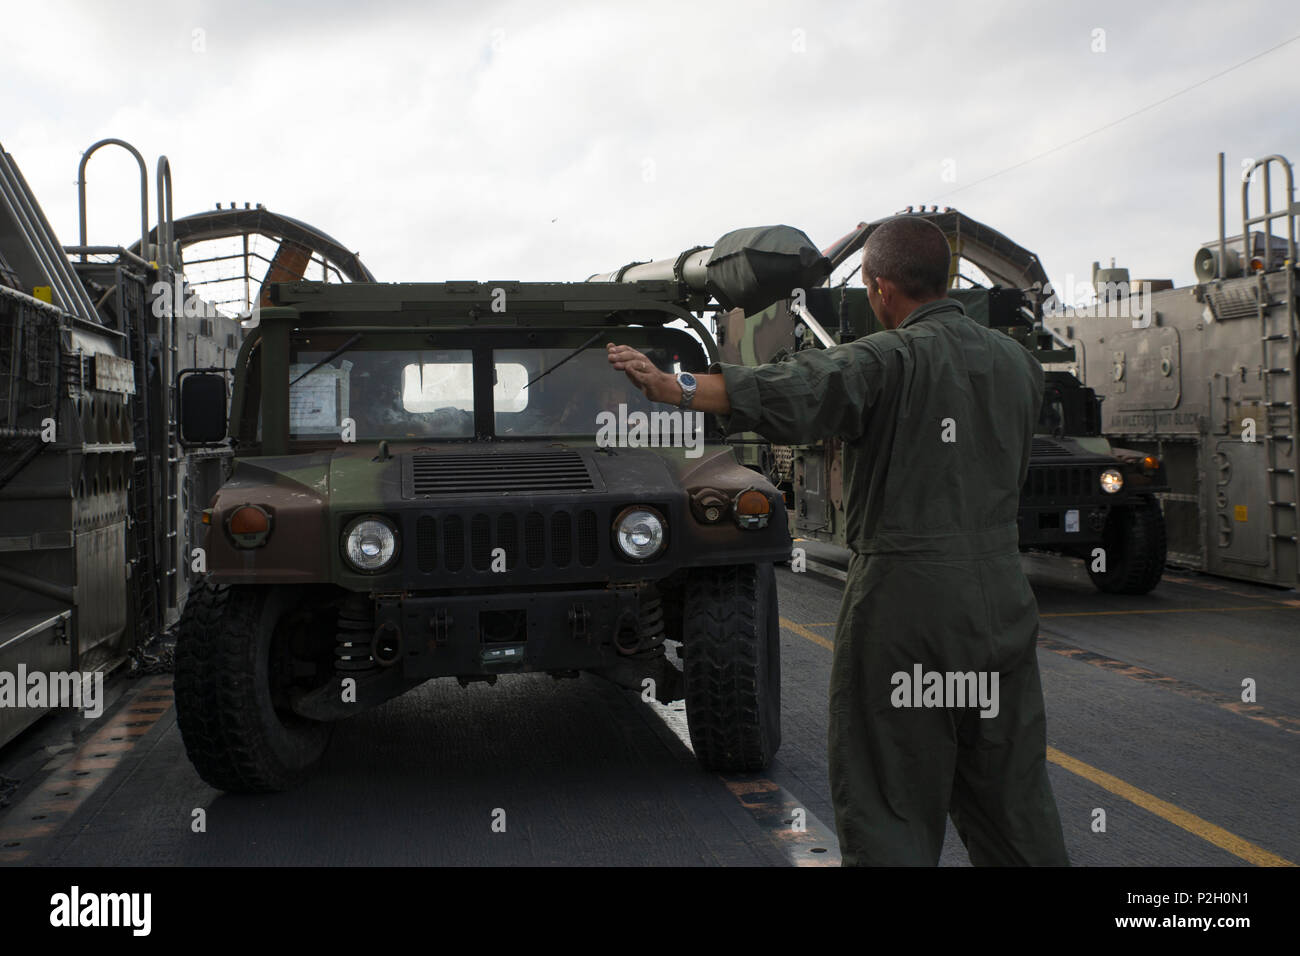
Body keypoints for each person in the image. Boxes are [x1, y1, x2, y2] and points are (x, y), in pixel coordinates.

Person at [607, 215, 1070, 866]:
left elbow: (792, 390)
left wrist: (671, 385)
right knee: (1012, 795)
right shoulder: (1019, 365)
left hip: (908, 604)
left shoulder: (888, 358)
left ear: (880, 290)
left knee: (892, 798)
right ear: (947, 280)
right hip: (1002, 603)